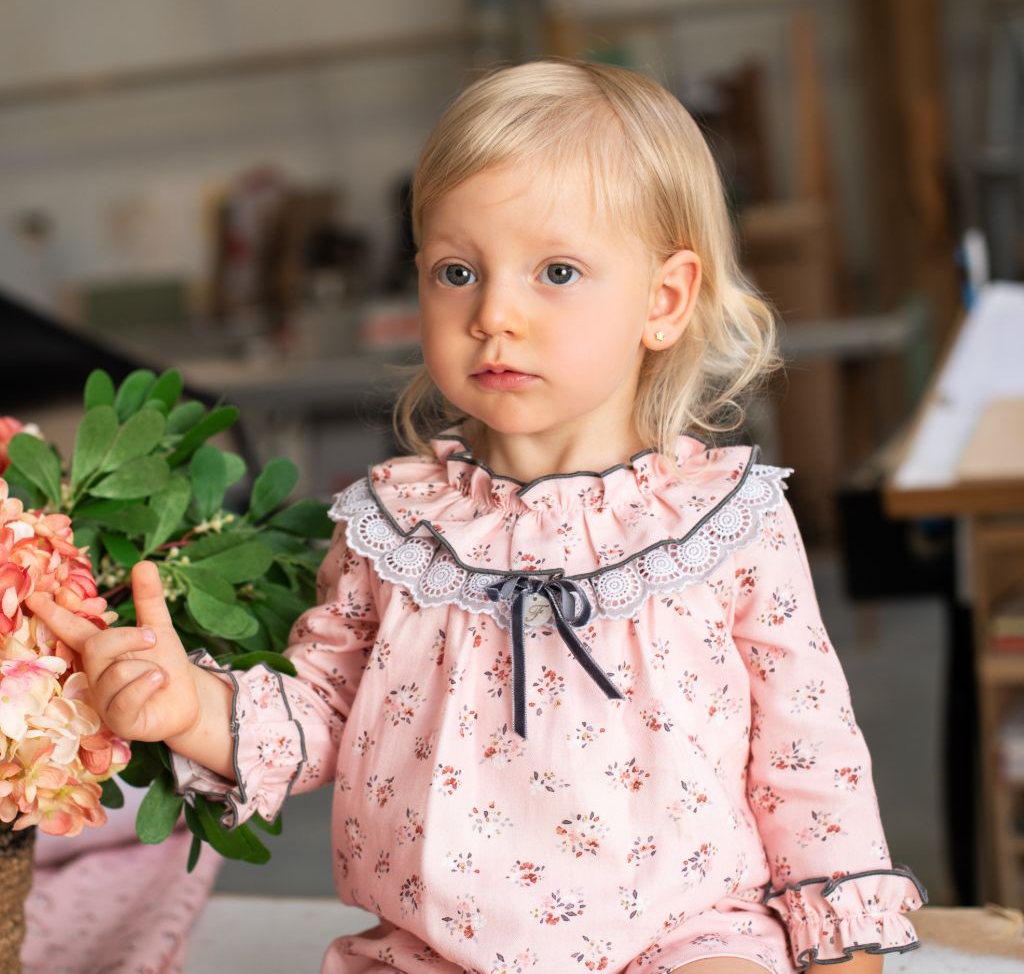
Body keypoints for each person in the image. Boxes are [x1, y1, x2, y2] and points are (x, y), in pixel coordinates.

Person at [28, 59, 928, 974]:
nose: (494, 314)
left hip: (685, 935)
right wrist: (189, 706)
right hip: (431, 948)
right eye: (457, 271)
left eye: (558, 272)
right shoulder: (393, 527)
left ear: (663, 300)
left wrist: (844, 944)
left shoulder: (725, 523)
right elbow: (321, 711)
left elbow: (808, 756)